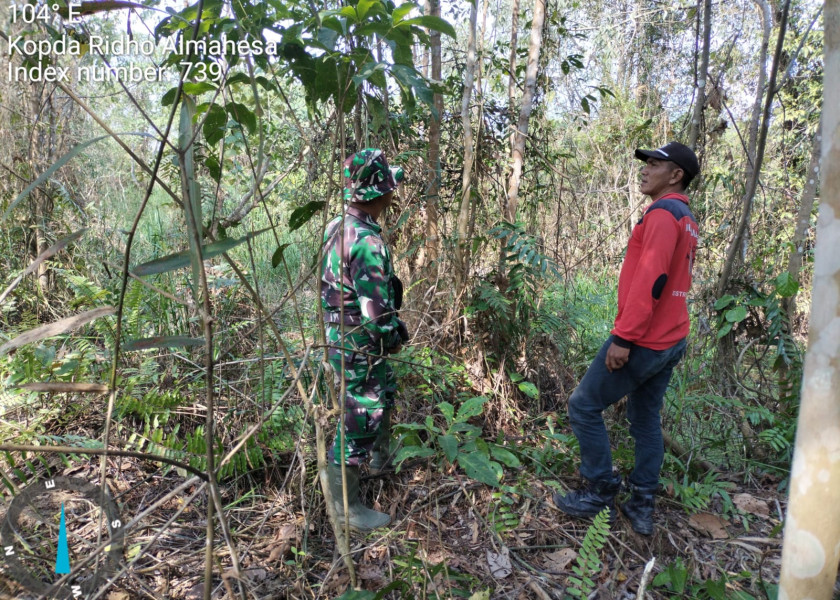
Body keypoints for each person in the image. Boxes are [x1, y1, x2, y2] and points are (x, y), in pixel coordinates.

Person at [553, 141, 700, 535]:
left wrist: (624, 338)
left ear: (676, 175)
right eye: (646, 163)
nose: (645, 169)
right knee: (646, 418)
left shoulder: (663, 214)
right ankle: (642, 502)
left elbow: (652, 280)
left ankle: (599, 490)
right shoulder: (685, 217)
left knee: (583, 405)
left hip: (646, 339)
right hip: (672, 338)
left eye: (654, 164)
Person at [320, 148, 408, 531]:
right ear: (378, 193)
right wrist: (392, 336)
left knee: (382, 391)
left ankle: (379, 458)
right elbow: (376, 313)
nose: (393, 193)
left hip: (340, 336)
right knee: (359, 414)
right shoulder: (366, 241)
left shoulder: (338, 226)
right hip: (359, 343)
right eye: (389, 187)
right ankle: (345, 509)